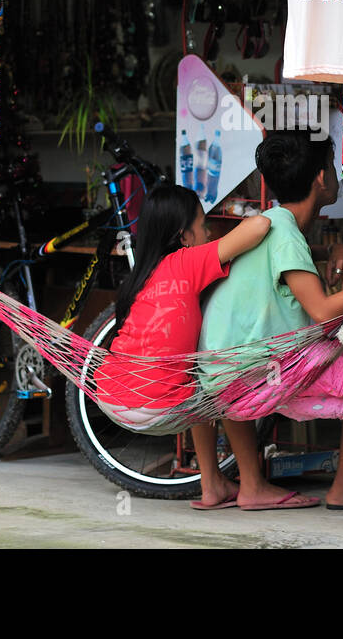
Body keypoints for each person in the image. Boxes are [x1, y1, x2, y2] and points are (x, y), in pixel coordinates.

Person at [199, 130, 343, 525]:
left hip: (229, 372)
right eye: (334, 168)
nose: (337, 175)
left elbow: (300, 264)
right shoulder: (284, 232)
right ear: (322, 178)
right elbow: (321, 311)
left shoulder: (277, 222)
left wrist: (335, 247)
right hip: (249, 378)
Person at [92, 185, 271, 510]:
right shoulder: (189, 261)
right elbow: (259, 226)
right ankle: (253, 484)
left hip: (109, 395)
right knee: (223, 372)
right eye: (203, 225)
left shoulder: (141, 276)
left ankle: (212, 484)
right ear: (184, 236)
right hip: (157, 405)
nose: (209, 231)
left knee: (195, 372)